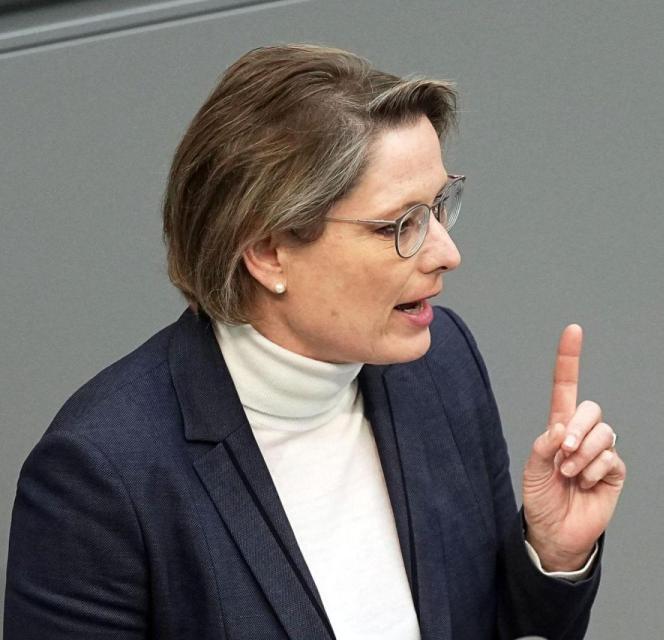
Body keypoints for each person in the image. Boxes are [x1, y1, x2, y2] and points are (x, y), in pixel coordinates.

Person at [4, 45, 626, 639]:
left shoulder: (441, 364)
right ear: (268, 252)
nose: (446, 252)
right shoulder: (101, 475)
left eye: (439, 206)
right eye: (400, 225)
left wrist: (552, 555)